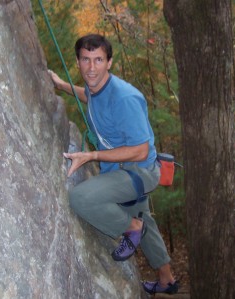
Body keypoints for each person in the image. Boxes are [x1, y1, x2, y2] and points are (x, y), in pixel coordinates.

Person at [49, 34, 178, 295]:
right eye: (86, 60)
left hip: (138, 170)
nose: (91, 67)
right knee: (146, 220)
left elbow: (140, 149)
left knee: (81, 199)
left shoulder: (124, 98)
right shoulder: (98, 88)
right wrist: (62, 85)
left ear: (109, 62)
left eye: (98, 60)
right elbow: (90, 96)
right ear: (78, 61)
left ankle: (131, 228)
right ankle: (167, 280)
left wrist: (92, 156)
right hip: (126, 171)